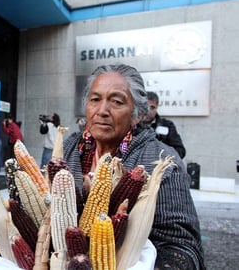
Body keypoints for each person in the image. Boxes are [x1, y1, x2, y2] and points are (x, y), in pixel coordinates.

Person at [63, 64, 205, 269]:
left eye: (117, 101)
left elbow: (181, 246)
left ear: (137, 114)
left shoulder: (160, 160)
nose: (102, 111)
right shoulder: (67, 149)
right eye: (95, 99)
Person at [143, 91, 186, 159]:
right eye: (146, 107)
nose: (149, 111)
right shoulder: (132, 125)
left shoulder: (167, 125)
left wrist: (163, 157)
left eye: (152, 107)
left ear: (157, 106)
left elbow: (180, 151)